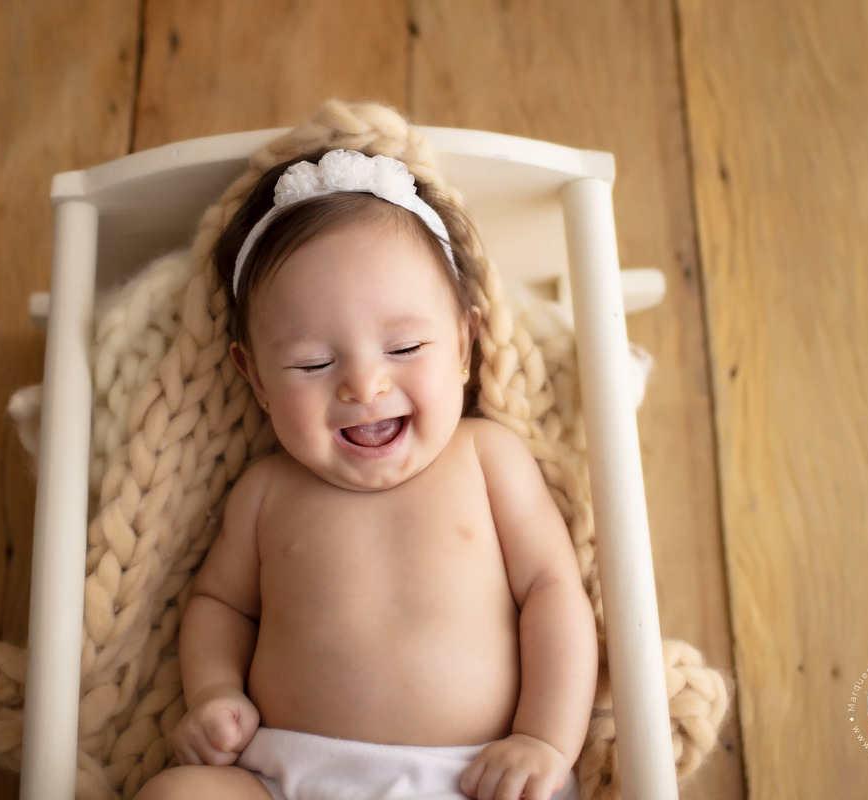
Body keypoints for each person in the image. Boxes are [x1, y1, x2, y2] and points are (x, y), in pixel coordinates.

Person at [136, 149, 597, 800]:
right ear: (256, 379)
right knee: (175, 795)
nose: (364, 384)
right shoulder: (265, 493)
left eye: (404, 348)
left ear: (465, 346)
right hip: (286, 776)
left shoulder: (487, 458)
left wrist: (545, 740)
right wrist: (213, 694)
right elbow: (219, 605)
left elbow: (554, 593)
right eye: (312, 362)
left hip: (474, 777)